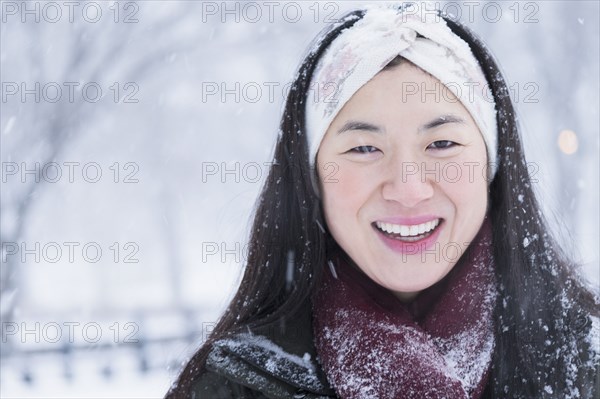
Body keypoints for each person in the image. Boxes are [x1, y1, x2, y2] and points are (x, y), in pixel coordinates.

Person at [166, 3, 599, 398]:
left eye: (442, 143)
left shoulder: (586, 364)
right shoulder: (230, 388)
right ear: (312, 178)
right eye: (364, 149)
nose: (408, 188)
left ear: (491, 167)